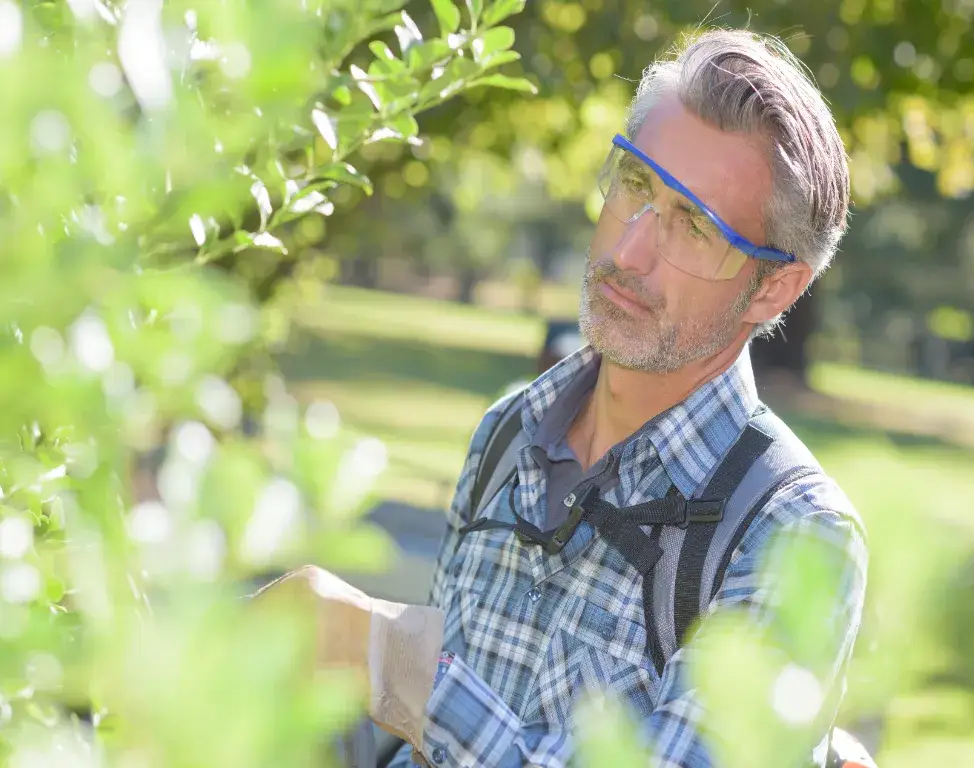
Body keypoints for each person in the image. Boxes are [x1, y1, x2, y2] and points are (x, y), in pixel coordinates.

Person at [262, 26, 868, 768]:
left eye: (694, 228)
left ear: (773, 285)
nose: (629, 251)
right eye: (637, 185)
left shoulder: (793, 536)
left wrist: (399, 665)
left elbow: (424, 696)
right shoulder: (509, 434)